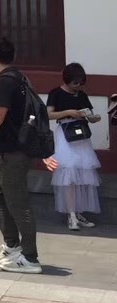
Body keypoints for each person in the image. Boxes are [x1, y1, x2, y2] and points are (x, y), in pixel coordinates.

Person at [0, 36, 57, 274]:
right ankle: (12, 246)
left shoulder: (5, 81)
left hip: (14, 152)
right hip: (8, 151)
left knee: (19, 204)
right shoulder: (20, 78)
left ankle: (30, 258)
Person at [46, 63, 102, 231]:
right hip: (65, 133)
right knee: (69, 172)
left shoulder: (82, 95)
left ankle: (78, 213)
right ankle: (71, 215)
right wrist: (69, 112)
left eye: (80, 83)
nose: (78, 86)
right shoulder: (56, 93)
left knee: (82, 174)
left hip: (81, 135)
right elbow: (48, 114)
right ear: (67, 79)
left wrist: (93, 118)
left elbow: (90, 114)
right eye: (75, 83)